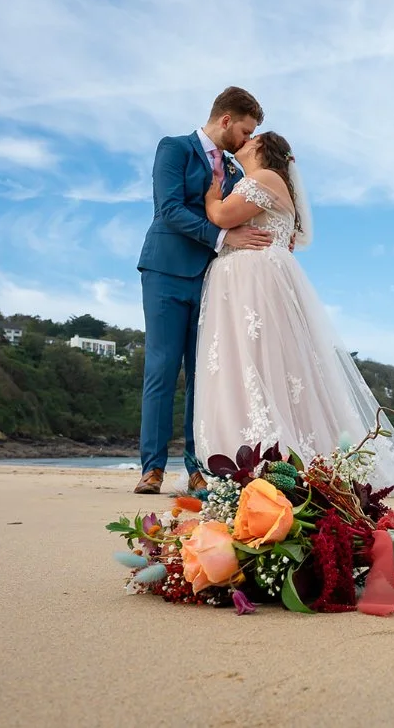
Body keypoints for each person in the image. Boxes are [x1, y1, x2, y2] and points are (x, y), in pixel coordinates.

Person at [193, 131, 394, 497]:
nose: (244, 142)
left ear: (265, 150)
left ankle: (265, 456)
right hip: (251, 281)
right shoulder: (262, 183)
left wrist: (212, 195)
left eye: (252, 138)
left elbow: (221, 215)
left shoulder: (264, 178)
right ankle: (256, 455)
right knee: (256, 366)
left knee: (254, 363)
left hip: (254, 283)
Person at [133, 87, 273, 495]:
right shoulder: (174, 148)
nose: (247, 141)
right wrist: (223, 237)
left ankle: (197, 468)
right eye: (245, 131)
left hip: (213, 280)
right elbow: (169, 209)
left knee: (203, 375)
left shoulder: (234, 173)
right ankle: (152, 468)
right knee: (161, 369)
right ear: (226, 120)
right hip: (165, 270)